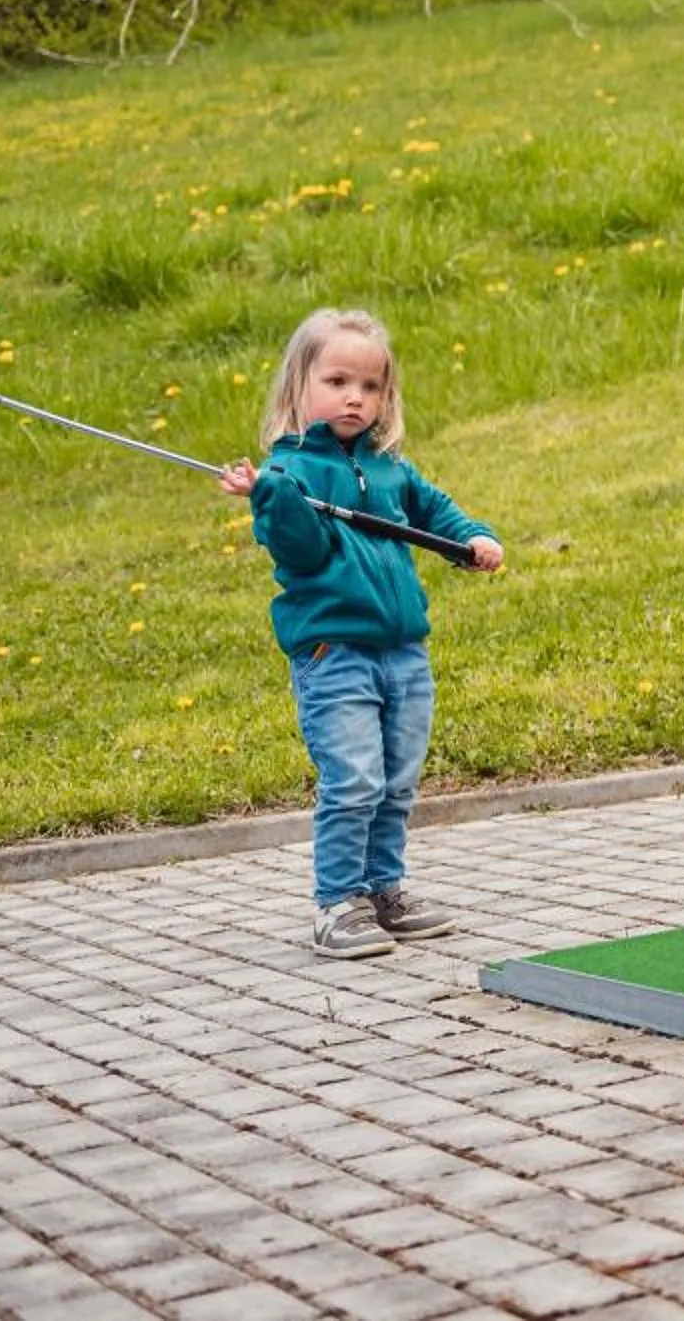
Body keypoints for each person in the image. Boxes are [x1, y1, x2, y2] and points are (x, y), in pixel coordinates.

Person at [220, 309, 504, 959]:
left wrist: (471, 537)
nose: (355, 397)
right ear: (299, 386)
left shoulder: (388, 467)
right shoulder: (289, 474)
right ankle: (338, 902)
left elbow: (434, 510)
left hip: (402, 652)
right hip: (334, 654)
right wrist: (271, 498)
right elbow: (303, 553)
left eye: (371, 386)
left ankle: (384, 890)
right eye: (338, 381)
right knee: (354, 781)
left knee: (397, 781)